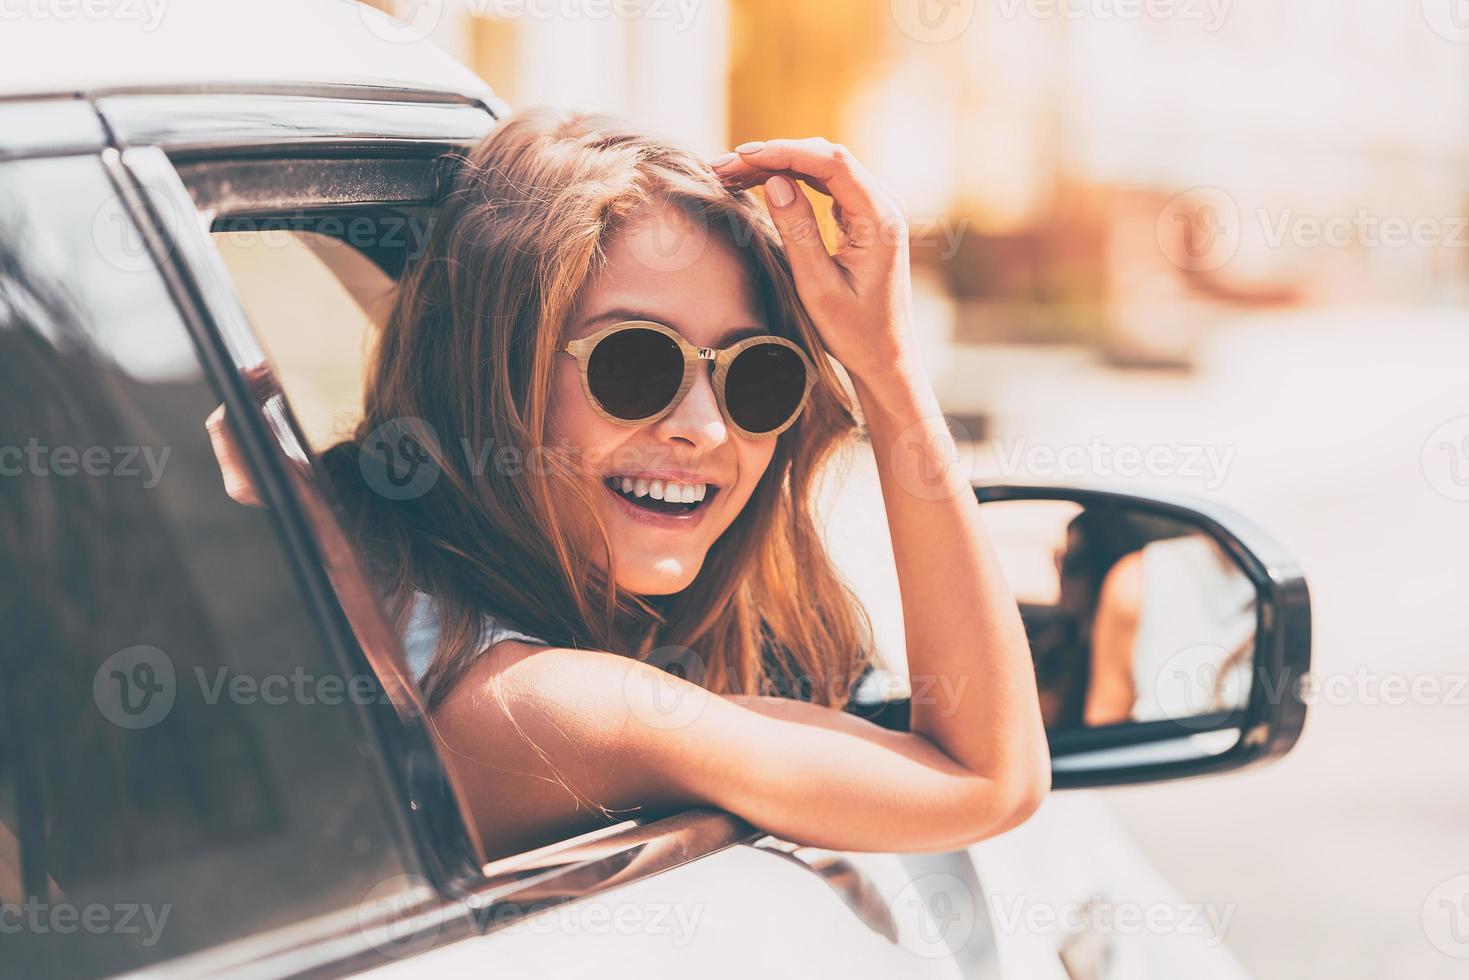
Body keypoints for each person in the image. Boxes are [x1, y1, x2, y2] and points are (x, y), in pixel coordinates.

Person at [217, 109, 1050, 859]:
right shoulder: (549, 709)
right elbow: (987, 779)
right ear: (488, 379)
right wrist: (888, 367)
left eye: (756, 377)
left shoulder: (393, 601)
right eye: (633, 363)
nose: (706, 427)